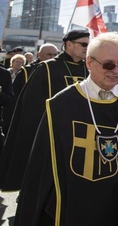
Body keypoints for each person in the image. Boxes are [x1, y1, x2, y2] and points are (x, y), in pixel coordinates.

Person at [9, 32, 118, 226]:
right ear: (89, 63)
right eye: (108, 65)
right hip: (70, 213)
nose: (116, 72)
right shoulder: (60, 105)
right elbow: (40, 172)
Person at [0, 29, 90, 191]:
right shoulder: (46, 69)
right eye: (83, 44)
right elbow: (31, 108)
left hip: (83, 133)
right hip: (53, 133)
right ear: (69, 44)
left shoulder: (89, 70)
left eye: (89, 45)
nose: (87, 48)